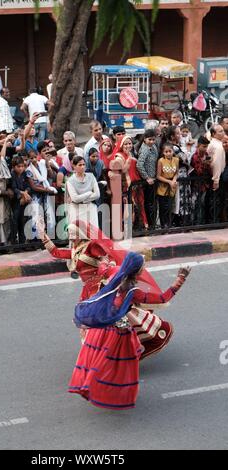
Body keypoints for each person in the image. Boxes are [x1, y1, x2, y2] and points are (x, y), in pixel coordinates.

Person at [70, 252, 191, 410]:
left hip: (99, 329)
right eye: (143, 267)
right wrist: (180, 278)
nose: (144, 269)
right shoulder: (133, 292)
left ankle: (91, 384)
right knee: (120, 362)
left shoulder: (114, 273)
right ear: (138, 271)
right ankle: (105, 388)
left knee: (99, 358)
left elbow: (103, 269)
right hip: (119, 332)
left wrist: (104, 260)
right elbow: (162, 299)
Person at [113, 135, 148, 230]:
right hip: (127, 188)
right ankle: (129, 229)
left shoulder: (131, 154)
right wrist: (128, 159)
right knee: (129, 208)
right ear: (121, 145)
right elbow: (123, 170)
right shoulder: (119, 157)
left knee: (139, 206)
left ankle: (140, 227)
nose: (128, 146)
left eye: (129, 143)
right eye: (126, 144)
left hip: (136, 186)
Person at [25, 150, 57, 240]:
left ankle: (50, 238)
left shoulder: (42, 165)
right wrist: (47, 189)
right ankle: (36, 239)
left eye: (35, 157)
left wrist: (47, 162)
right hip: (36, 195)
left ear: (37, 156)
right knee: (37, 216)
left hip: (45, 193)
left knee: (49, 215)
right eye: (31, 158)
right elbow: (33, 186)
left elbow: (51, 176)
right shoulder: (28, 170)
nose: (34, 160)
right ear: (28, 159)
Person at [66, 156, 100, 227]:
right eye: (80, 165)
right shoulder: (70, 181)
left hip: (90, 207)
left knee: (93, 233)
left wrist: (83, 200)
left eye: (84, 164)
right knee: (79, 234)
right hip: (76, 208)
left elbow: (97, 194)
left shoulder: (91, 176)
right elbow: (75, 198)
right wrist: (89, 193)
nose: (82, 167)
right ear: (74, 166)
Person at [136, 129, 159, 228]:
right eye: (150, 139)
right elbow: (139, 165)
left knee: (153, 203)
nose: (152, 142)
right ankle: (150, 225)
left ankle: (153, 223)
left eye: (153, 139)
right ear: (145, 139)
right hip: (148, 182)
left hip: (153, 179)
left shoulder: (153, 147)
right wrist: (147, 178)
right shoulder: (144, 149)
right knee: (149, 203)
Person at [157, 143, 179, 228]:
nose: (168, 153)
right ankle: (163, 225)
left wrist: (174, 180)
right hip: (163, 186)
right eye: (166, 152)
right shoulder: (161, 161)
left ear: (173, 151)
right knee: (163, 207)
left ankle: (169, 224)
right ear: (163, 153)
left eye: (170, 151)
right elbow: (158, 176)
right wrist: (168, 182)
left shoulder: (176, 160)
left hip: (172, 185)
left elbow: (176, 173)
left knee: (171, 206)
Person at [191, 136, 212, 224]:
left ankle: (201, 221)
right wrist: (205, 164)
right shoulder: (195, 156)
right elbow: (198, 171)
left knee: (202, 203)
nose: (205, 148)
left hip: (205, 184)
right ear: (199, 145)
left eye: (206, 146)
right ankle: (195, 222)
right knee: (195, 203)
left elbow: (209, 170)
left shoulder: (206, 154)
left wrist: (208, 164)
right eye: (204, 146)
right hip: (196, 184)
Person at [11, 155, 32, 244]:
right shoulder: (12, 174)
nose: (21, 168)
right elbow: (13, 188)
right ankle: (13, 242)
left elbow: (28, 186)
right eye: (18, 167)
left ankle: (22, 242)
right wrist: (23, 193)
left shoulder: (24, 174)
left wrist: (26, 192)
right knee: (15, 222)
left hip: (24, 200)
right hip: (15, 202)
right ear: (14, 167)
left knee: (23, 221)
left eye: (22, 166)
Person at [207, 124, 226, 222]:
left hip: (216, 175)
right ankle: (214, 221)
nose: (223, 133)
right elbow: (216, 163)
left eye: (223, 130)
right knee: (216, 200)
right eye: (220, 131)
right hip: (216, 176)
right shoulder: (217, 146)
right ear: (214, 134)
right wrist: (216, 179)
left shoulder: (215, 143)